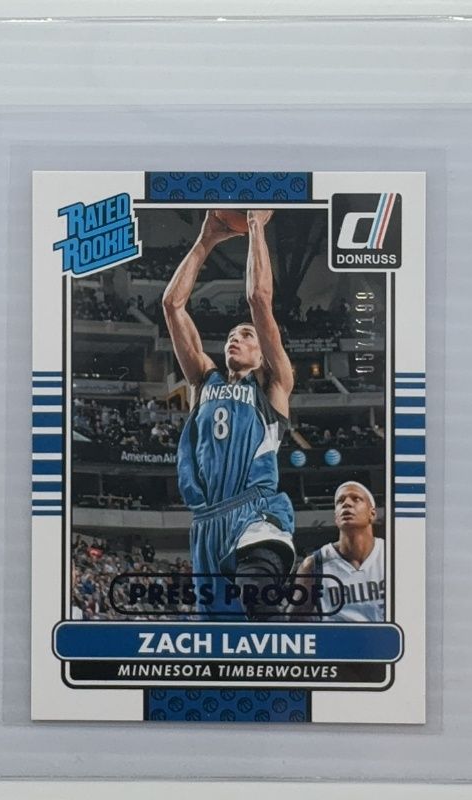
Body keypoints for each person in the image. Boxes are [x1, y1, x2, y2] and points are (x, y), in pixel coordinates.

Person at [162, 209, 295, 619]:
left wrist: (255, 225)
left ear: (262, 354)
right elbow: (172, 305)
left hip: (254, 512)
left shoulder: (272, 386)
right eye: (232, 335)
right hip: (206, 524)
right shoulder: (205, 381)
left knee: (259, 603)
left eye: (247, 335)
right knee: (220, 631)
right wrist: (205, 241)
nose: (236, 338)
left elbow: (259, 300)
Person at [288, 481, 384, 621]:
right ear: (336, 517)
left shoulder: (393, 554)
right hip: (337, 635)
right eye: (340, 501)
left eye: (356, 499)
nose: (347, 504)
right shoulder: (314, 564)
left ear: (372, 513)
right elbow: (295, 620)